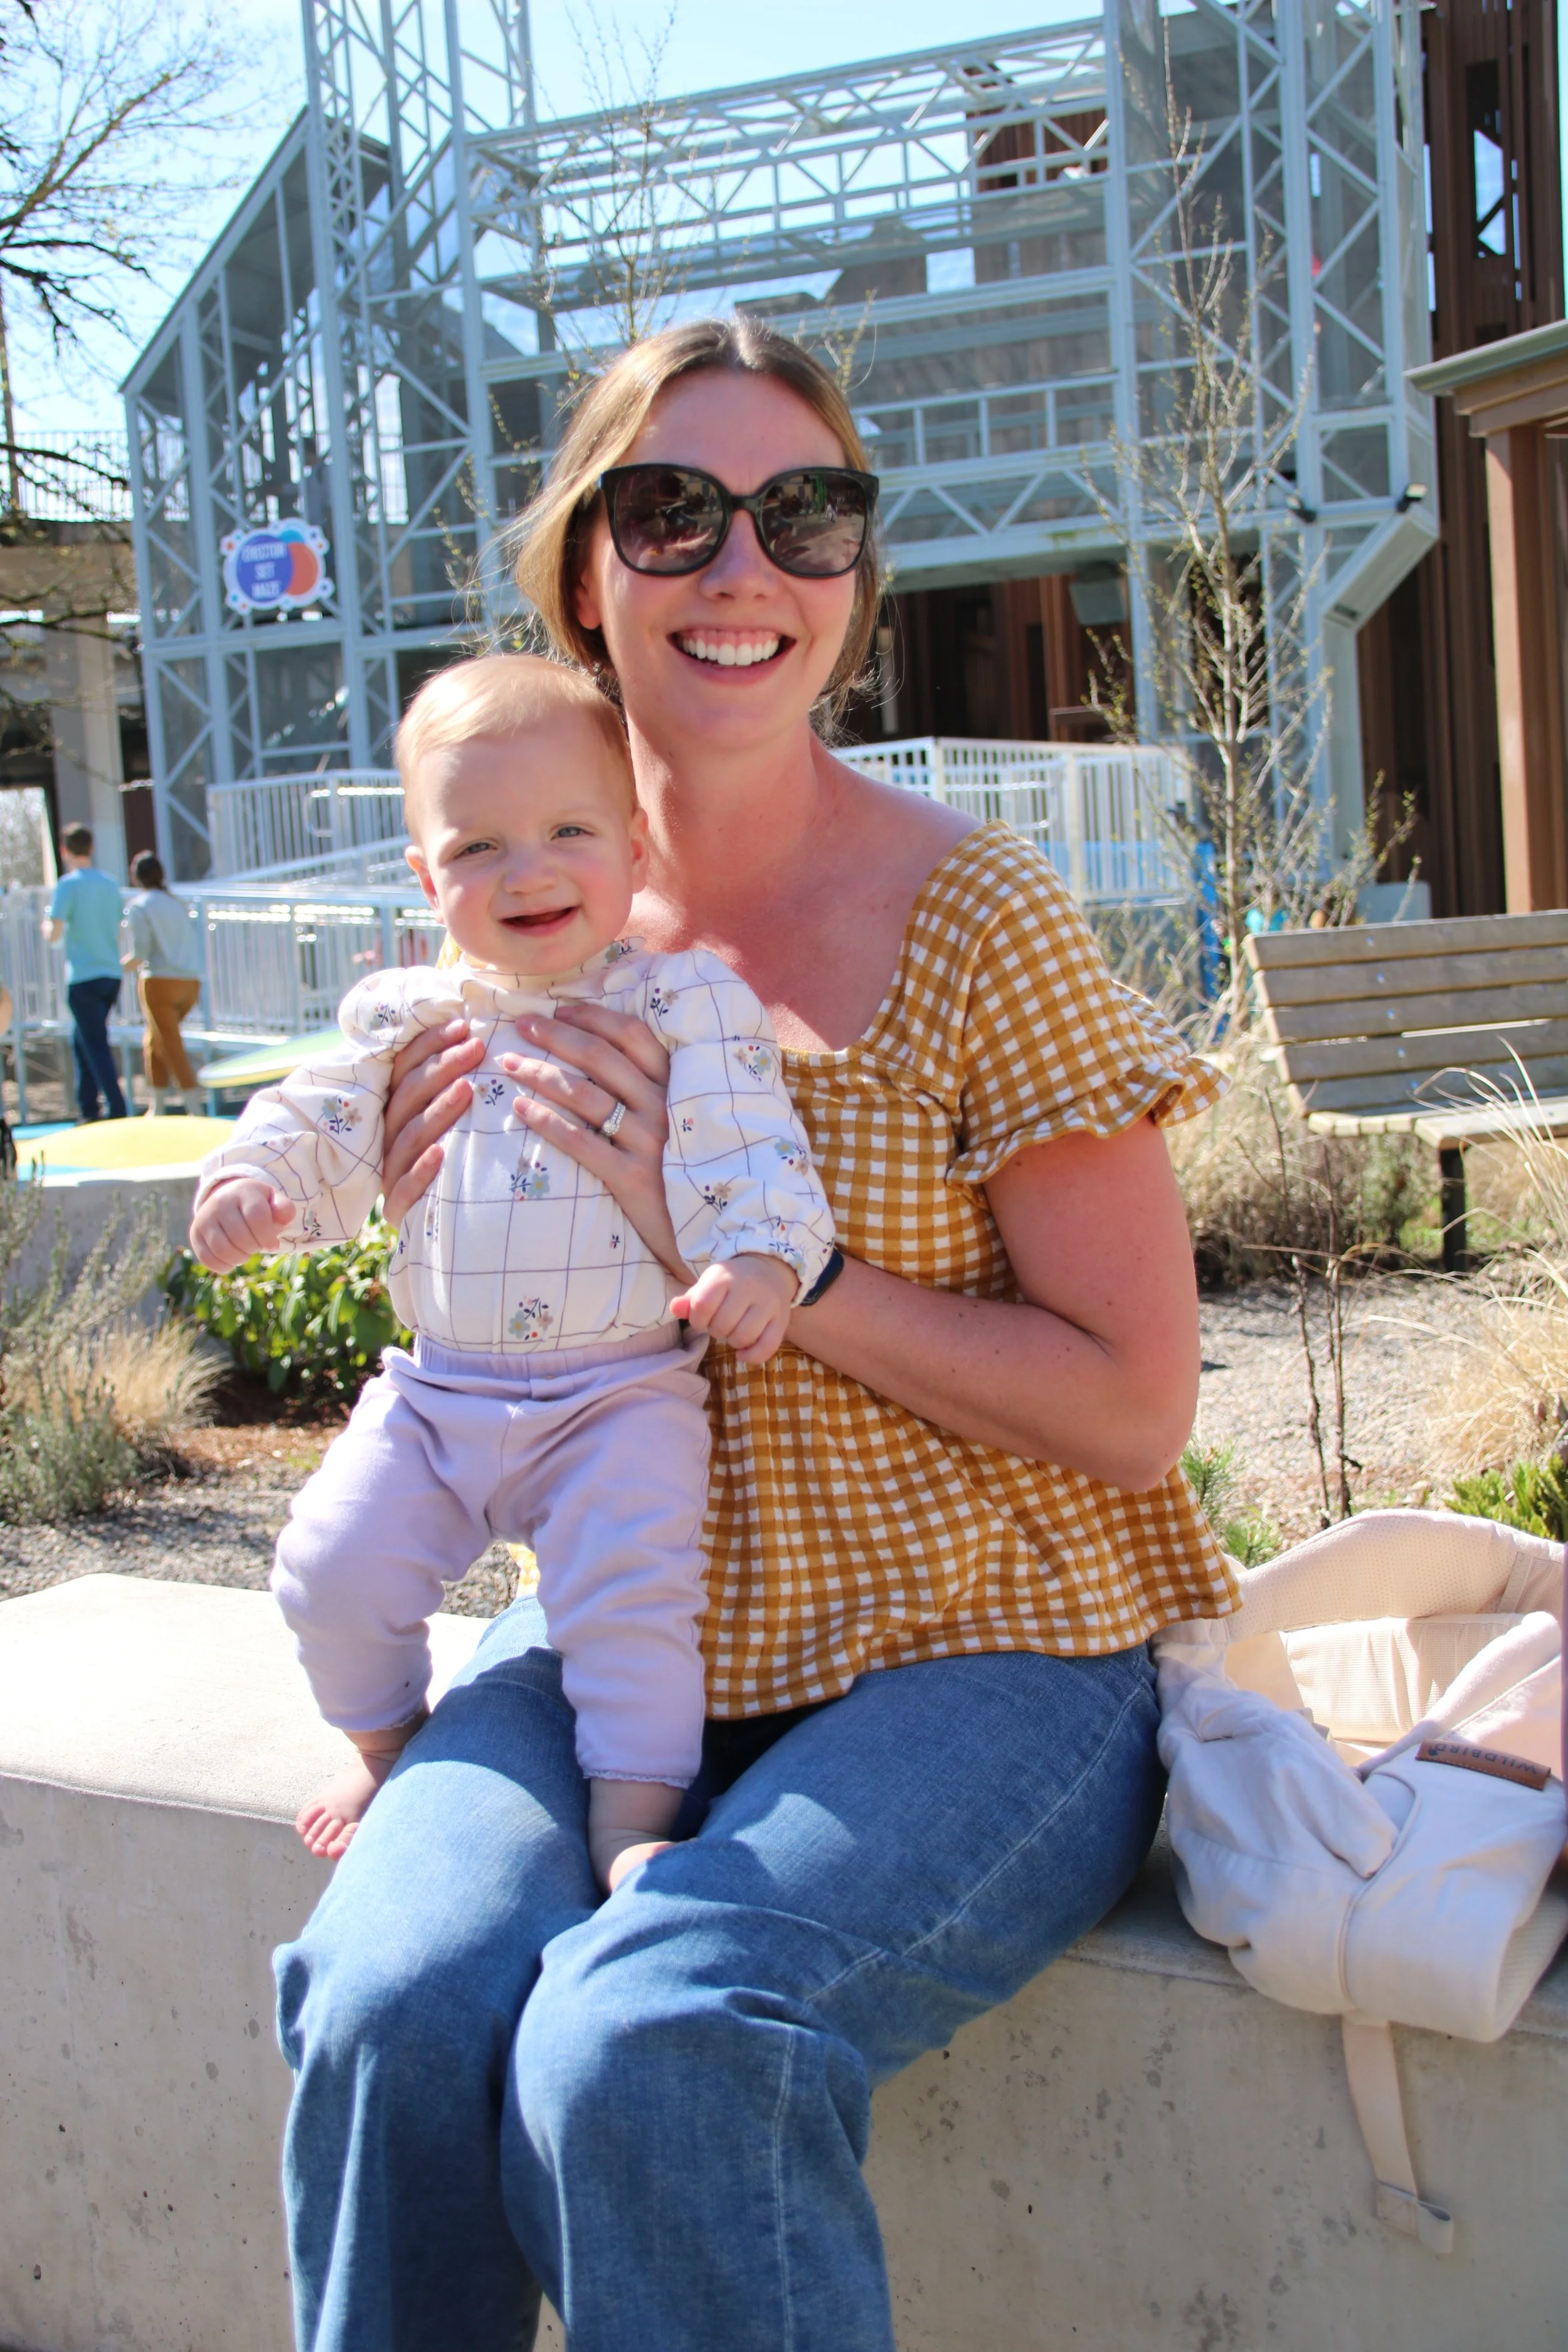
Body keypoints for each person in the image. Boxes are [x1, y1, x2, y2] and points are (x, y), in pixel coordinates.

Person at [274, 317, 1238, 2352]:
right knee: (386, 1992)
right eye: (673, 511)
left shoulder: (981, 917)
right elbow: (458, 1312)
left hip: (988, 1645)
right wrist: (411, 1203)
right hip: (637, 1625)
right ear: (583, 574)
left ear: (856, 577)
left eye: (806, 514)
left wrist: (782, 1281)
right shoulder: (507, 921)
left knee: (656, 2029)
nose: (743, 567)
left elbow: (1142, 1411)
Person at [190, 654, 834, 1888]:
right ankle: (383, 1740)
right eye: (477, 848)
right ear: (426, 879)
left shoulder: (679, 1001)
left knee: (629, 1605)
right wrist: (254, 1185)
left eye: (567, 832)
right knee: (328, 1564)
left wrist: (759, 1255)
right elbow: (320, 1114)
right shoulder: (408, 1015)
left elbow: (750, 1138)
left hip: (618, 1394)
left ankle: (630, 1815)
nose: (526, 869)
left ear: (636, 851)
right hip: (436, 1393)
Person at [43, 822, 126, 1121]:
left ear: (65, 851)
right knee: (81, 1040)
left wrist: (46, 929)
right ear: (91, 848)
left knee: (94, 1043)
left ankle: (117, 1108)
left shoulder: (68, 885)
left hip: (84, 976)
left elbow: (54, 933)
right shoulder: (109, 883)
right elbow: (118, 931)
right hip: (110, 974)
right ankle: (88, 1108)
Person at [120, 849, 204, 1115]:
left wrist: (116, 967)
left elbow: (140, 953)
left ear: (137, 877)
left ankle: (194, 1107)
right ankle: (156, 1106)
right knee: (155, 1040)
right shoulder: (177, 903)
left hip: (159, 983)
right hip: (190, 983)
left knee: (169, 1042)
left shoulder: (140, 905)